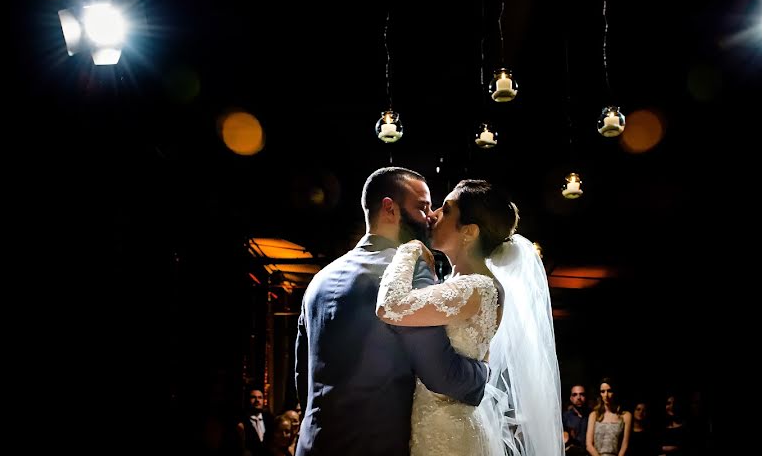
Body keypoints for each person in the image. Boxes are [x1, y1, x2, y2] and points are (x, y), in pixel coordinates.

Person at [294, 167, 489, 456]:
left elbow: (302, 376)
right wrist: (482, 372)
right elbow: (441, 373)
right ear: (389, 208)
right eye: (422, 207)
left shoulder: (319, 279)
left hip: (312, 445)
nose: (430, 217)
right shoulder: (410, 273)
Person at [375, 179, 563, 456]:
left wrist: (408, 250)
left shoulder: (476, 288)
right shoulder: (462, 283)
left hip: (447, 433)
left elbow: (390, 306)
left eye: (447, 210)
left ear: (470, 232)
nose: (434, 214)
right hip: (441, 423)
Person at [586, 378, 632, 456]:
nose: (606, 395)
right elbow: (589, 445)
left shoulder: (625, 416)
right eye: (603, 391)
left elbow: (625, 446)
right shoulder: (594, 415)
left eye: (609, 391)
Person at [237, 386, 275, 456]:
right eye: (253, 397)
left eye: (260, 397)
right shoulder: (241, 422)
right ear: (248, 400)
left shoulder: (270, 419)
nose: (257, 400)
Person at [563, 384, 590, 455]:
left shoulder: (592, 416)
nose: (578, 397)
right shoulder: (565, 417)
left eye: (582, 394)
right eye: (575, 395)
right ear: (571, 398)